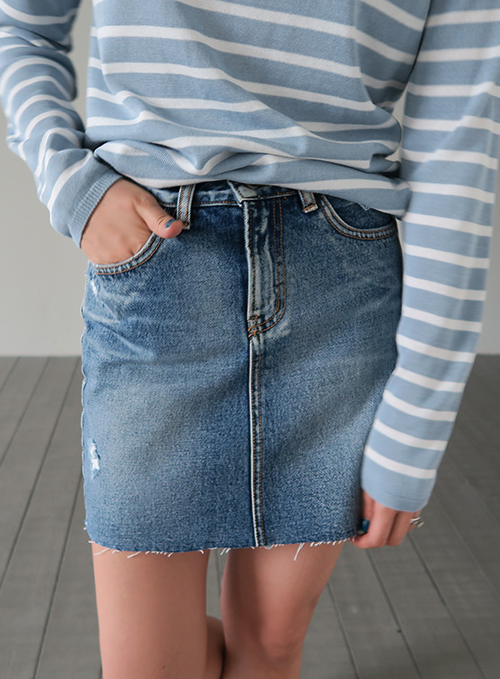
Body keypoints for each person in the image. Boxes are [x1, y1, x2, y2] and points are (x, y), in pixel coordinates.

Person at [0, 2, 499, 678]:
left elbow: (459, 150)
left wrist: (420, 419)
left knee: (271, 642)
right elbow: (22, 25)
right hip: (161, 274)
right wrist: (70, 182)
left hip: (342, 289)